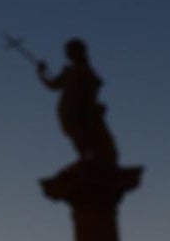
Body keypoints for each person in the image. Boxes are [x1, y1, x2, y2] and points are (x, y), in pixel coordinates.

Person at [37, 38, 118, 166]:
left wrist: (89, 105)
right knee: (75, 134)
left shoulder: (83, 70)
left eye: (69, 50)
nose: (67, 53)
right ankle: (85, 156)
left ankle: (89, 157)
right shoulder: (70, 71)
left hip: (80, 109)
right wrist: (42, 73)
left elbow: (94, 87)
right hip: (69, 110)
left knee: (83, 134)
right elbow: (53, 84)